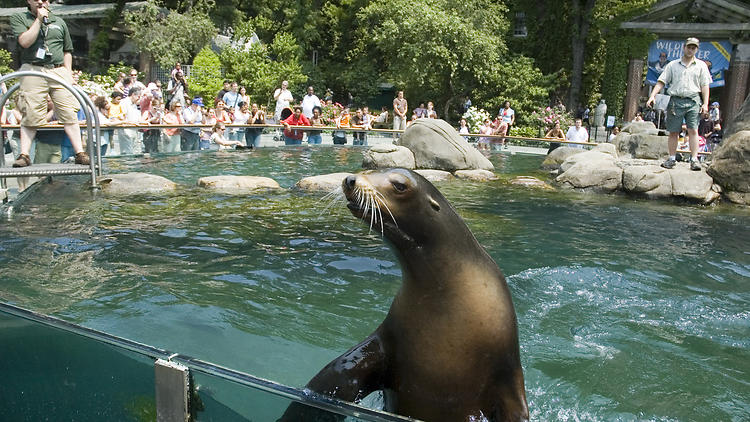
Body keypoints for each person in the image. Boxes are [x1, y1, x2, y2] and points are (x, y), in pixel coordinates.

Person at [10, 0, 90, 167]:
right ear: (28, 1)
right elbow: (24, 42)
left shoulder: (59, 21)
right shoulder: (19, 17)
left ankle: (80, 153)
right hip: (33, 68)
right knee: (30, 112)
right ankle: (24, 155)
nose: (41, 1)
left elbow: (67, 50)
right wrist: (39, 20)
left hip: (58, 69)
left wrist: (68, 74)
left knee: (69, 111)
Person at [646, 37, 711, 171]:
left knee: (693, 130)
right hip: (675, 100)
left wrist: (705, 104)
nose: (690, 50)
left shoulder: (701, 66)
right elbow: (661, 81)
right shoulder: (672, 65)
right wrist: (652, 96)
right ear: (684, 47)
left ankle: (694, 159)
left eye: (693, 48)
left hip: (693, 100)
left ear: (696, 49)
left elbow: (705, 85)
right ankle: (671, 158)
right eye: (689, 47)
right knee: (673, 131)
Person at [117, 87, 143, 155]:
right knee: (127, 152)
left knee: (134, 152)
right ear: (133, 94)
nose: (139, 99)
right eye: (138, 96)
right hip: (126, 131)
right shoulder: (124, 102)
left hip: (134, 131)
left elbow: (137, 119)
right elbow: (122, 117)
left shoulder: (134, 105)